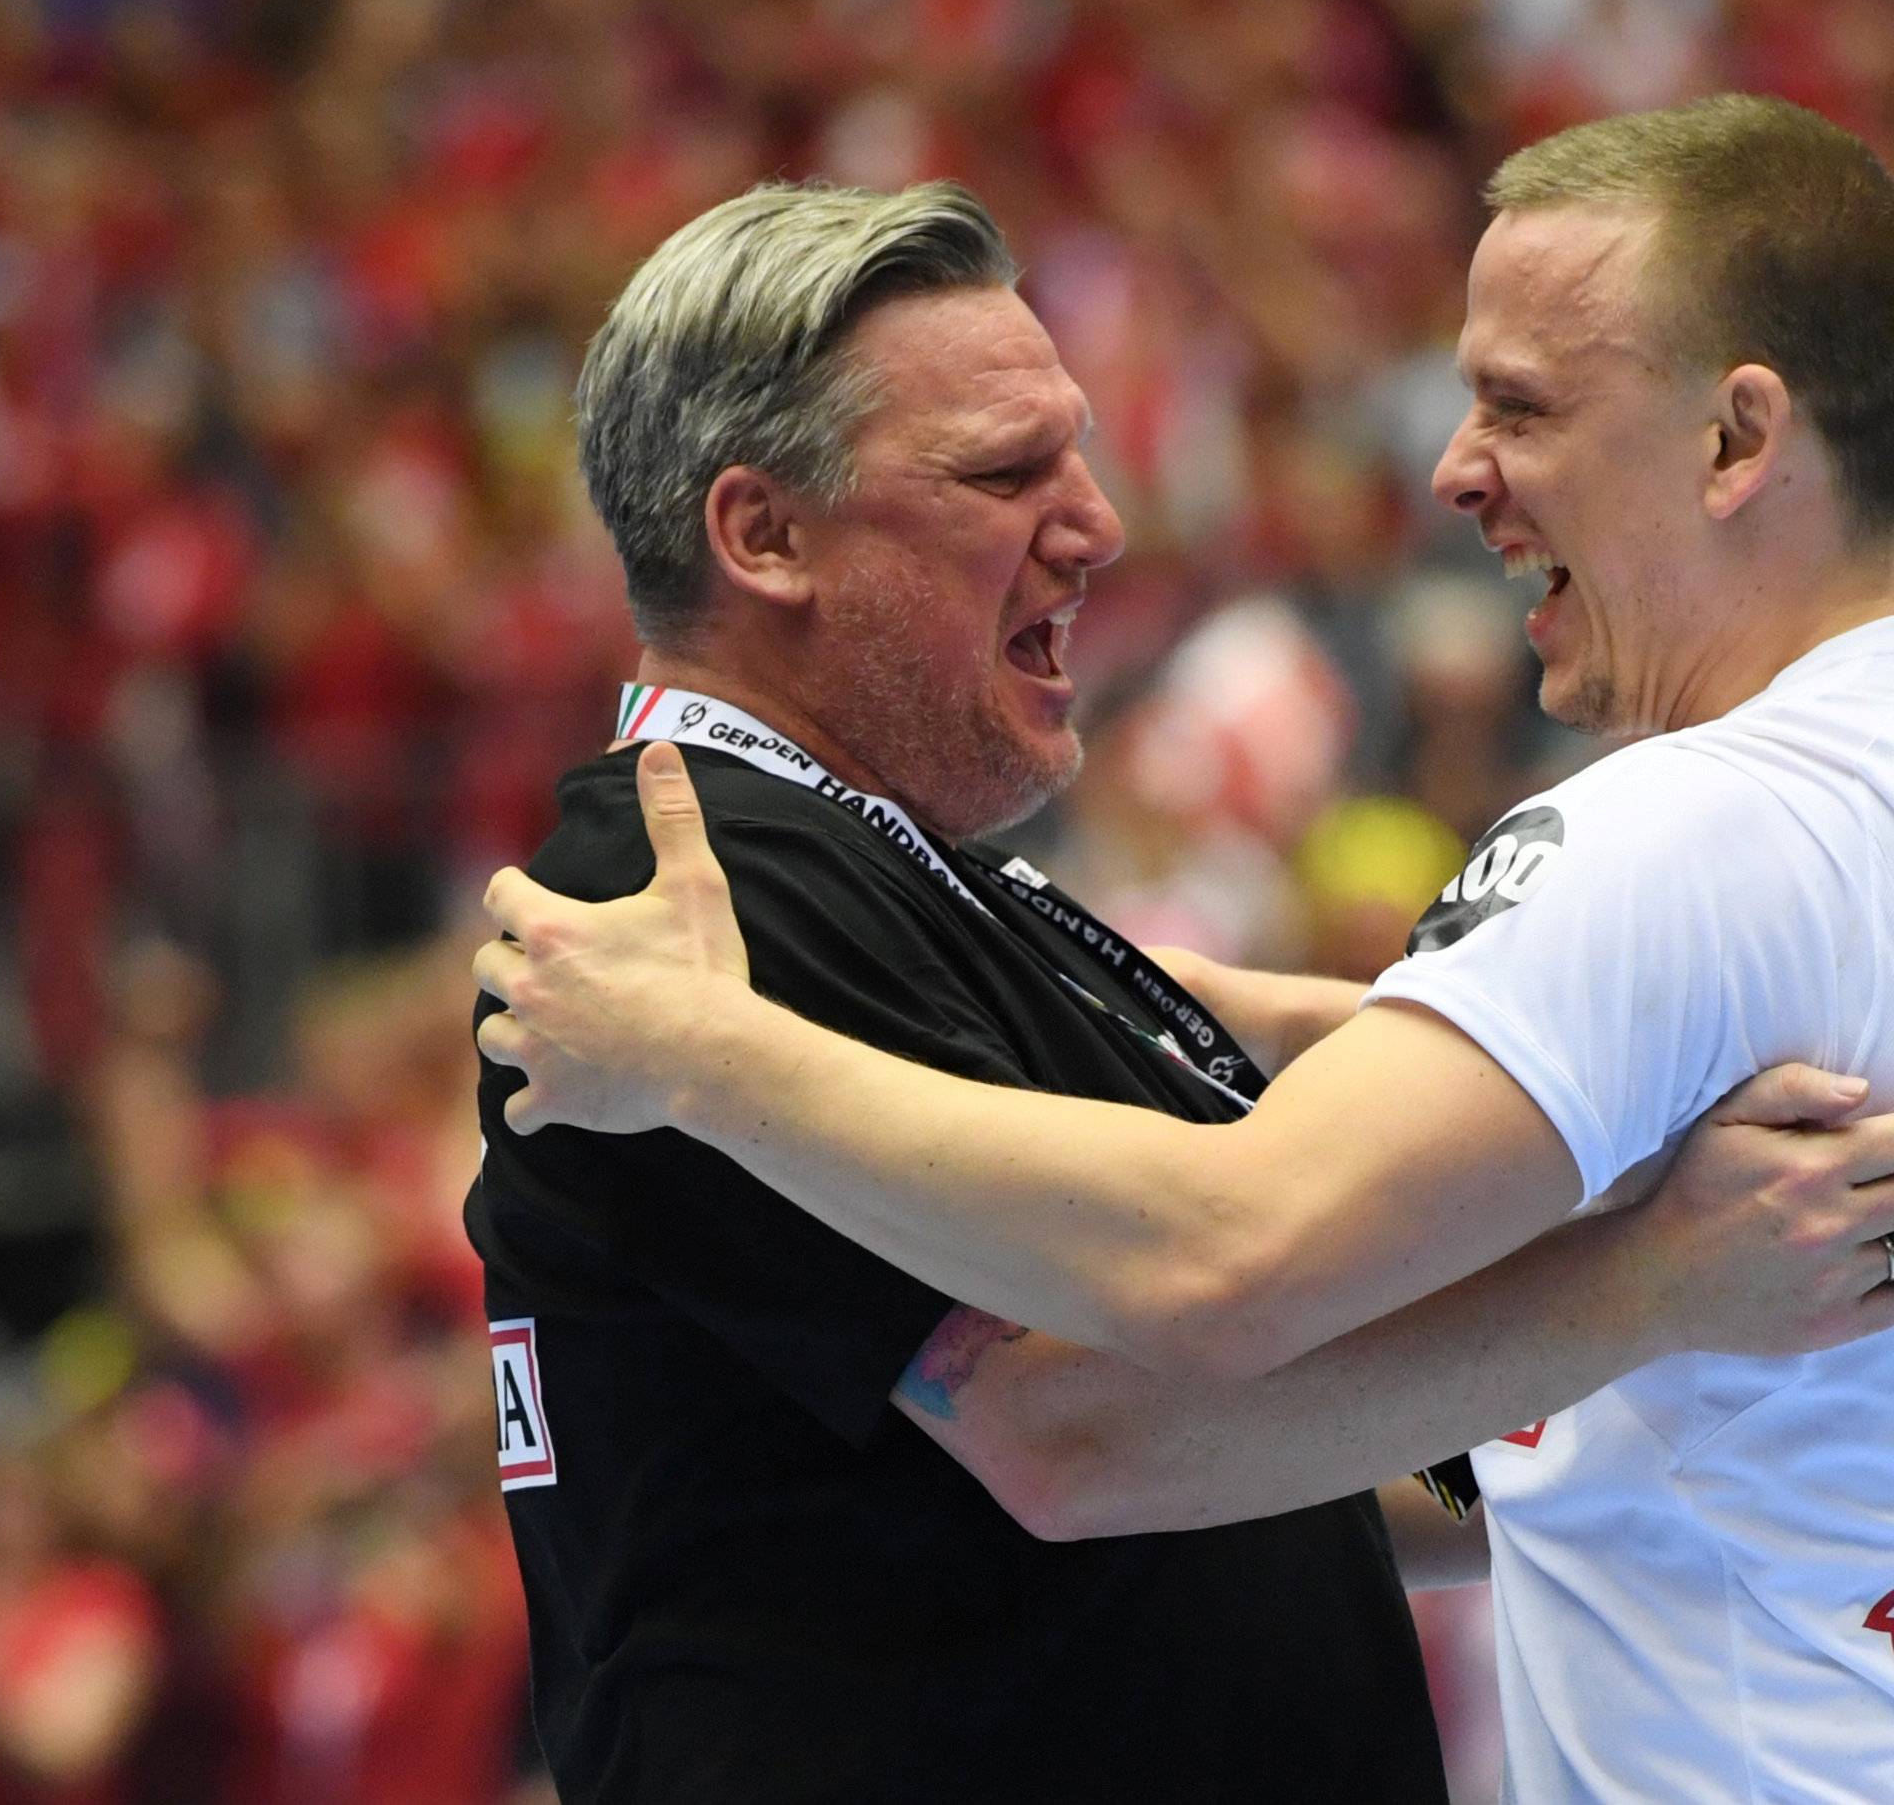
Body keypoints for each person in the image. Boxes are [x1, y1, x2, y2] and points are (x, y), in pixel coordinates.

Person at [475, 98, 1894, 1803]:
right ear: (762, 536)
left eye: (1522, 404)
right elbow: (1084, 1426)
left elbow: (1218, 1321)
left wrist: (1620, 1304)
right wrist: (1637, 1304)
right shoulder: (691, 901)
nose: (1100, 523)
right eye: (1009, 472)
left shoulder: (1693, 831)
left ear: (1742, 441)